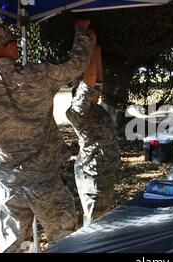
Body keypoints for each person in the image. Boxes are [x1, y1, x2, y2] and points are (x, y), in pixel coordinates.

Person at [0, 20, 94, 252]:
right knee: (66, 242)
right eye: (13, 42)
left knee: (12, 247)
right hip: (44, 181)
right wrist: (81, 33)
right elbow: (76, 65)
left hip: (7, 184)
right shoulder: (39, 74)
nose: (16, 46)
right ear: (8, 46)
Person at [66, 45, 121, 227]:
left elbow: (97, 80)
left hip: (104, 172)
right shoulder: (78, 111)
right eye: (93, 90)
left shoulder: (95, 108)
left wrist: (96, 48)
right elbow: (89, 81)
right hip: (92, 176)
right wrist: (87, 46)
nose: (98, 91)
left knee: (105, 220)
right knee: (94, 224)